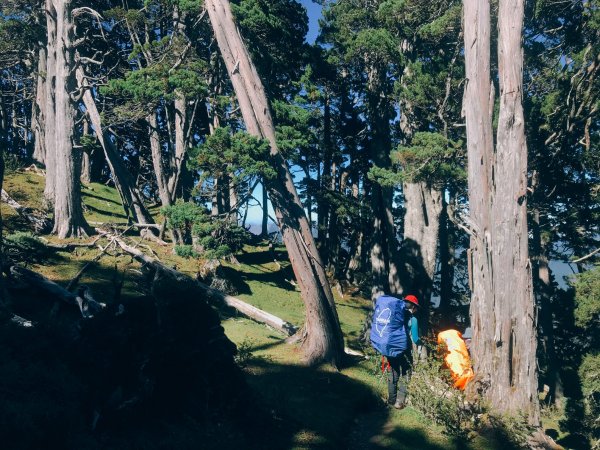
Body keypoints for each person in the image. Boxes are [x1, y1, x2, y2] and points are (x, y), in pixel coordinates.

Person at [387, 294, 421, 409]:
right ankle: (400, 401)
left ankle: (391, 400)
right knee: (406, 373)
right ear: (413, 306)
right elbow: (415, 339)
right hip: (405, 349)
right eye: (416, 307)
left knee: (393, 373)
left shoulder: (394, 315)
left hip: (391, 348)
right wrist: (422, 343)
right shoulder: (413, 319)